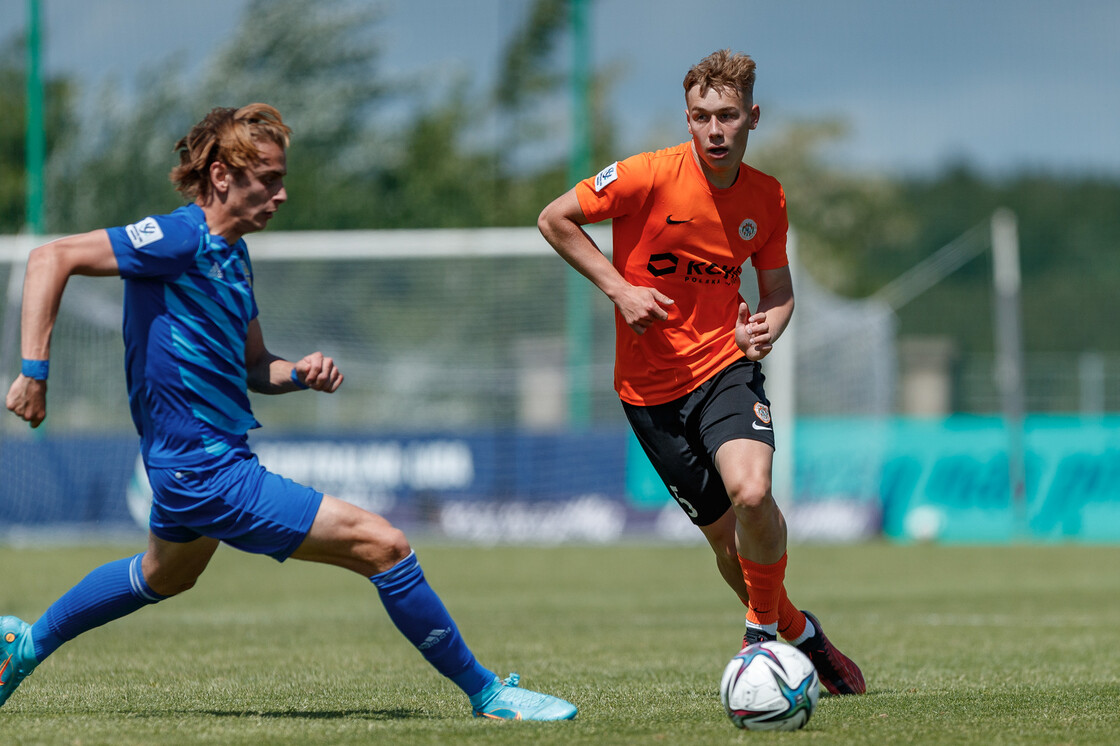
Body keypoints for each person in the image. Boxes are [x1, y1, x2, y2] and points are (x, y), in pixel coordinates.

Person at [1, 103, 577, 720]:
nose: (281, 194)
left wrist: (298, 372)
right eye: (268, 178)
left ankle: (22, 646)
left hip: (200, 464)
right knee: (384, 544)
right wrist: (34, 372)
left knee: (163, 576)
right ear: (222, 176)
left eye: (281, 178)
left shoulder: (233, 258)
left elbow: (256, 367)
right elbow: (49, 258)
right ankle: (488, 694)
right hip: (205, 470)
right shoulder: (179, 237)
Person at [538, 50, 865, 695]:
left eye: (727, 117)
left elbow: (779, 291)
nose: (714, 130)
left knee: (751, 493)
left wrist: (770, 325)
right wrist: (618, 289)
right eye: (701, 117)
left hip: (723, 367)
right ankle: (799, 632)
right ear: (687, 119)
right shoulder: (646, 176)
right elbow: (554, 220)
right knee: (723, 541)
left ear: (752, 118)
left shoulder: (766, 196)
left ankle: (758, 641)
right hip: (648, 393)